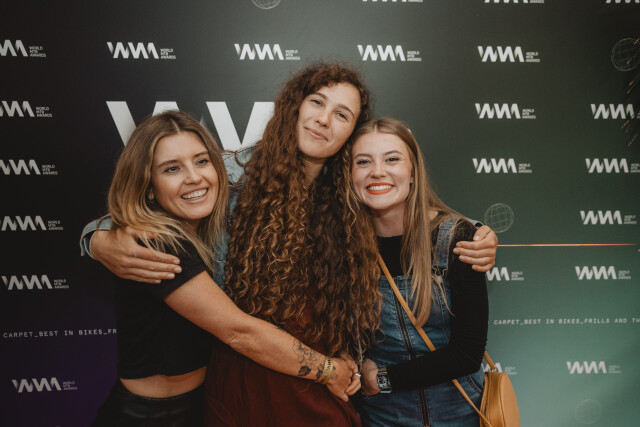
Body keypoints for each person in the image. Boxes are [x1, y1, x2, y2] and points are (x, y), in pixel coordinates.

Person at [81, 64, 498, 426]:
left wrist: (476, 233)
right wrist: (98, 239)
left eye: (342, 114)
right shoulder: (232, 172)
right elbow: (145, 204)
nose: (323, 120)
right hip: (242, 382)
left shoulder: (349, 195)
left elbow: (407, 206)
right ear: (295, 105)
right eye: (317, 102)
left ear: (351, 133)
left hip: (321, 392)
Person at [91, 110, 357, 427]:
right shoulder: (156, 242)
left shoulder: (211, 232)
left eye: (202, 161)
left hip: (202, 405)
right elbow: (239, 332)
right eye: (172, 168)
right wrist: (328, 370)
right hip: (149, 417)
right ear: (148, 186)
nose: (194, 177)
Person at [345, 118, 489, 426]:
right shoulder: (341, 247)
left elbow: (467, 353)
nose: (377, 171)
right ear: (350, 174)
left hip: (460, 412)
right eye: (363, 161)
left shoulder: (457, 237)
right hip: (381, 416)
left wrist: (382, 379)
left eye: (392, 159)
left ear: (413, 172)